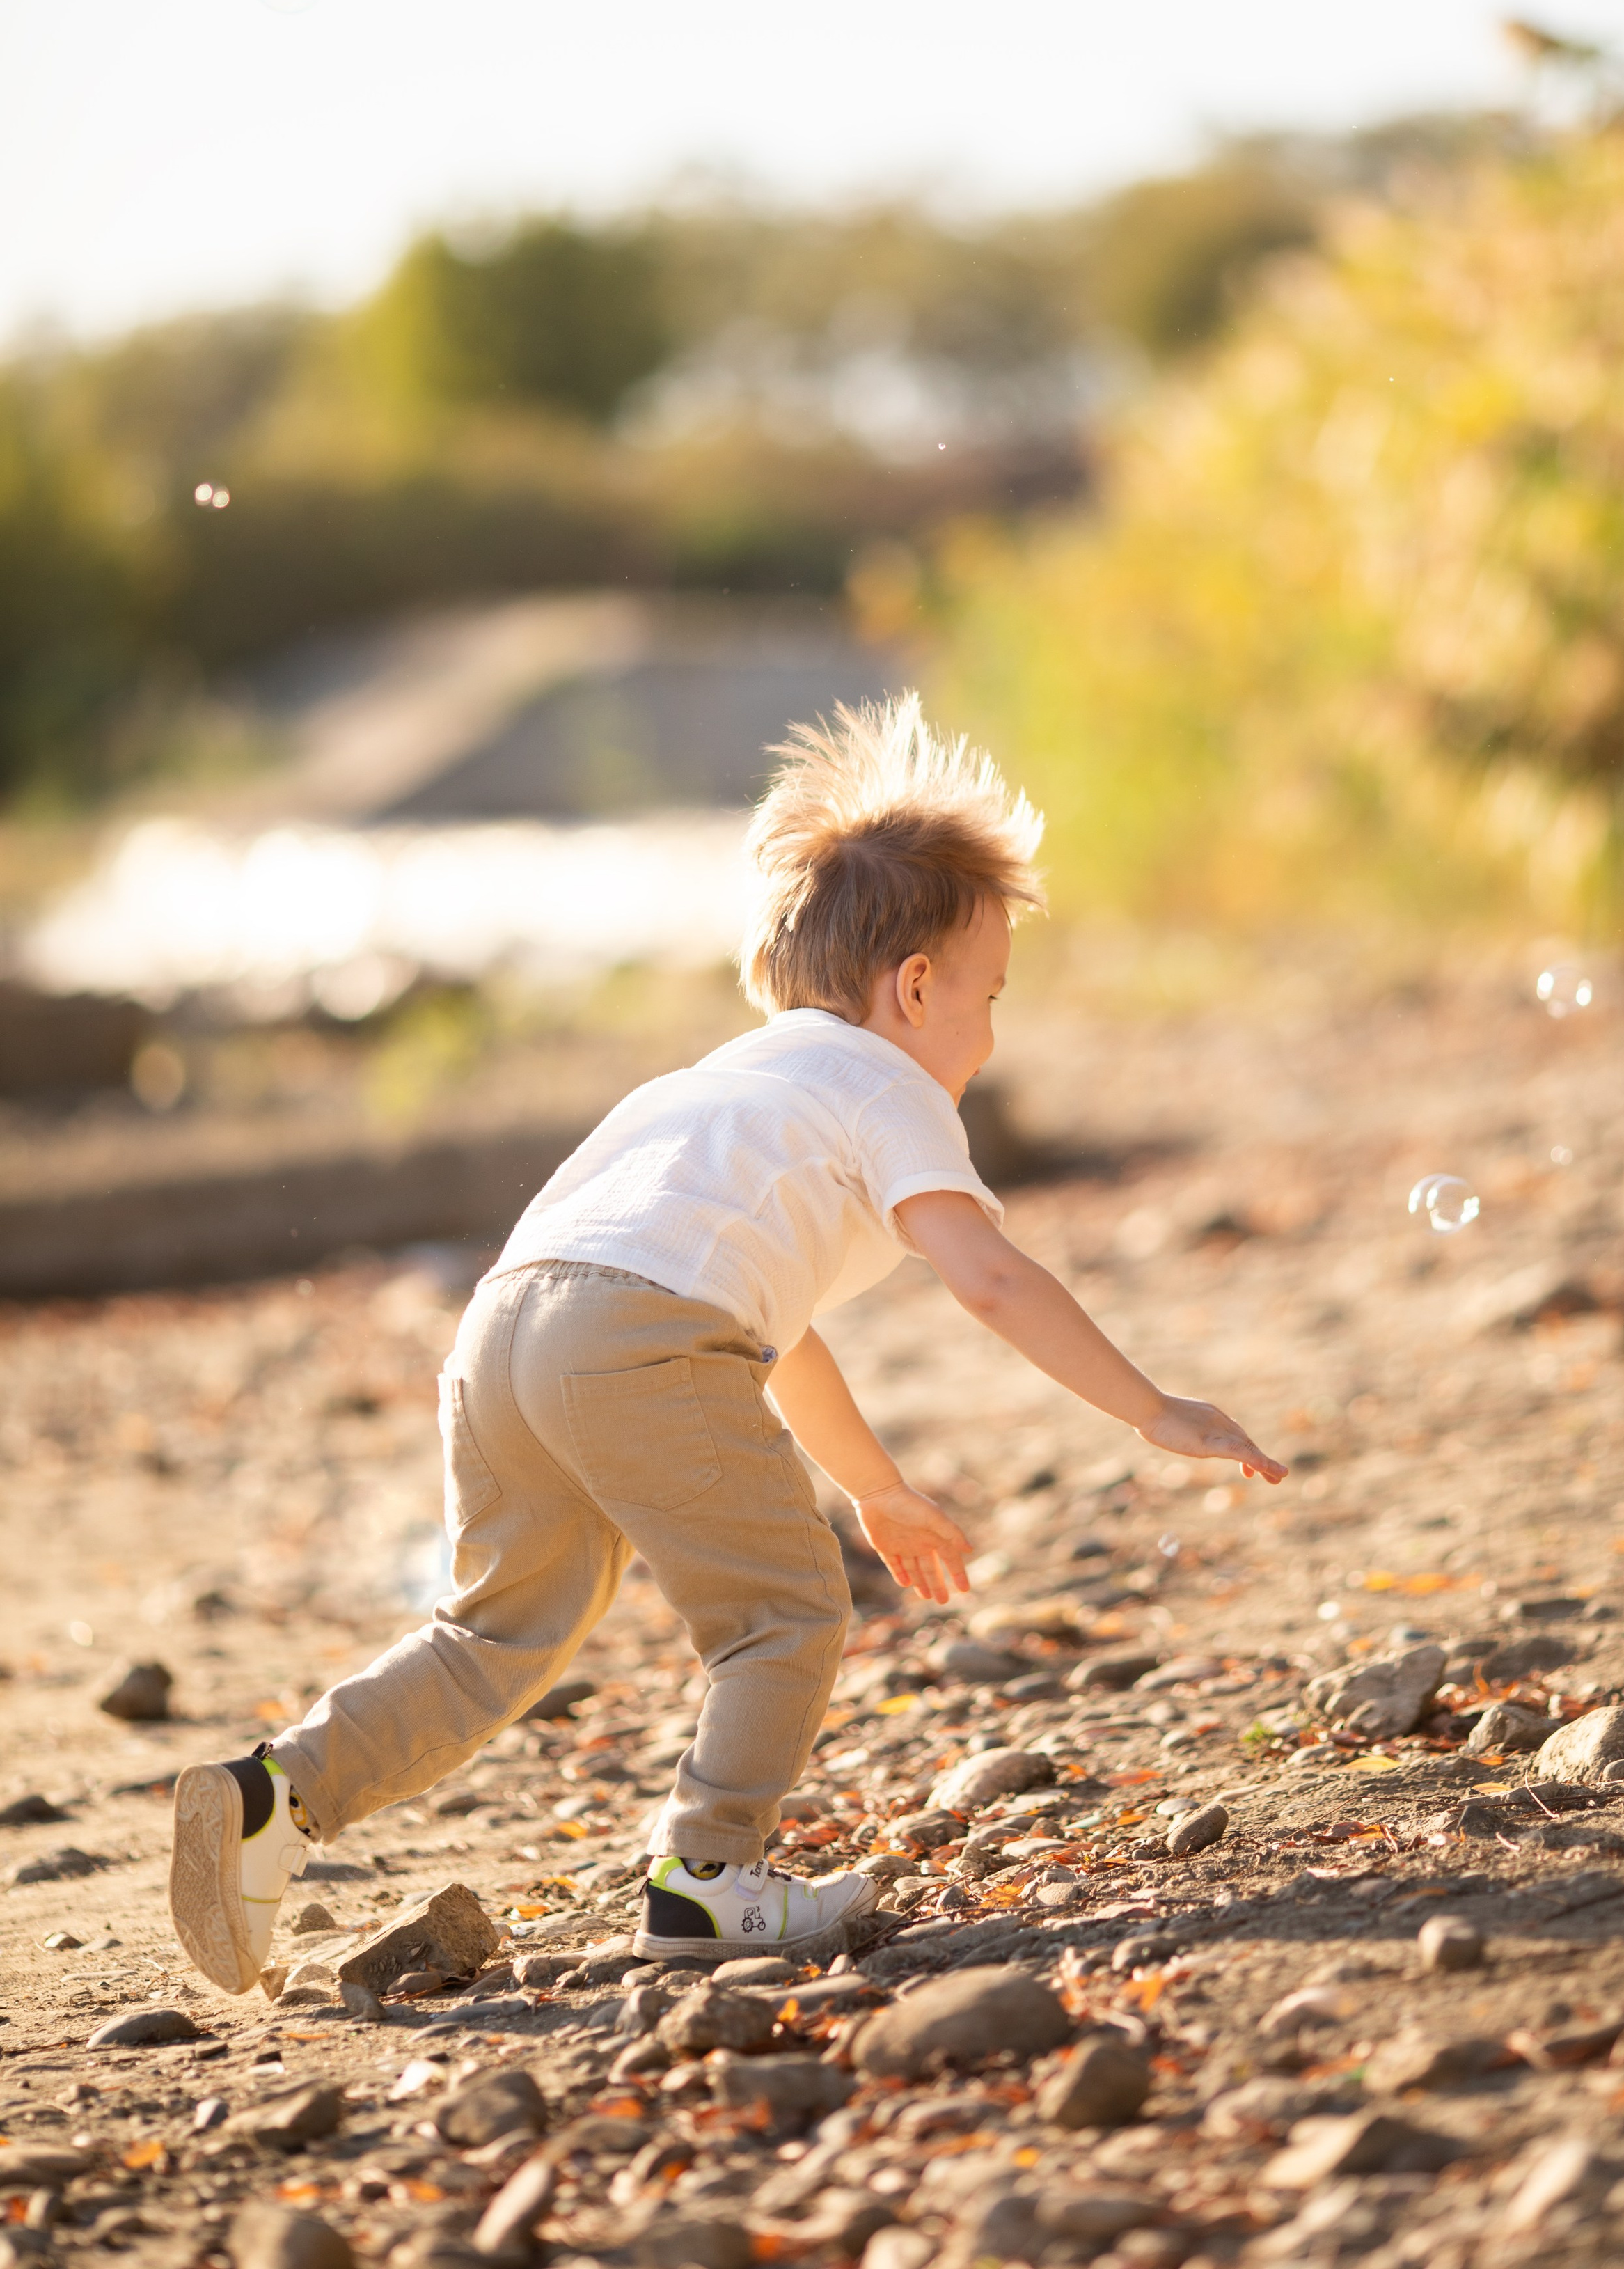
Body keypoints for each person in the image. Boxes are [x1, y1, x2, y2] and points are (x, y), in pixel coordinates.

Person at [168, 695, 1285, 1990]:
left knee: (495, 1632)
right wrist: (1152, 1408)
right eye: (989, 997)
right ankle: (706, 1878)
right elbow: (987, 1276)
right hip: (638, 1336)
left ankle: (274, 1795)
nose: (988, 1033)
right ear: (915, 986)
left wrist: (876, 1488)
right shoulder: (890, 1085)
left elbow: (774, 1335)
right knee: (785, 1616)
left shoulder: (719, 1085)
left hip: (505, 1331)